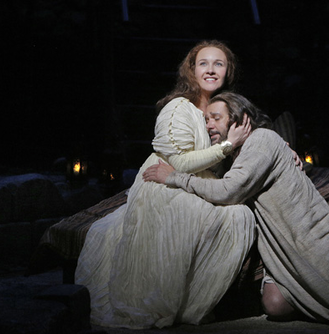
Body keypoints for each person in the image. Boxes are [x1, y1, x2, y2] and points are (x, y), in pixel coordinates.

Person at [143, 92, 329, 325]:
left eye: (216, 118)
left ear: (240, 119)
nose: (209, 125)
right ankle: (325, 302)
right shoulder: (233, 156)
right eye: (206, 120)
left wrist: (174, 177)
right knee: (276, 307)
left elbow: (229, 191)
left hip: (314, 239)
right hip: (281, 250)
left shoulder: (262, 139)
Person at [75, 40, 257, 330]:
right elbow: (180, 162)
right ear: (192, 70)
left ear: (228, 71)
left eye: (219, 64)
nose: (211, 69)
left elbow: (254, 125)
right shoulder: (177, 109)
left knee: (239, 215)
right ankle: (166, 303)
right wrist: (226, 147)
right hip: (165, 182)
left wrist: (281, 148)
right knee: (206, 214)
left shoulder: (224, 106)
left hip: (199, 182)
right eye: (204, 63)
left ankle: (189, 303)